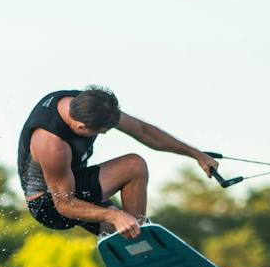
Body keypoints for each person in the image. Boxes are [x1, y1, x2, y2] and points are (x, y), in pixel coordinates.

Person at [18, 87, 220, 240]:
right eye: (100, 131)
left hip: (74, 187)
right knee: (134, 166)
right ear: (81, 127)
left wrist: (195, 154)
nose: (104, 133)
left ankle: (133, 239)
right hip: (50, 205)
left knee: (119, 229)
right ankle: (137, 239)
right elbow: (64, 204)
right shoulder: (51, 144)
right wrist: (112, 215)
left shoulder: (93, 107)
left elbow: (142, 130)